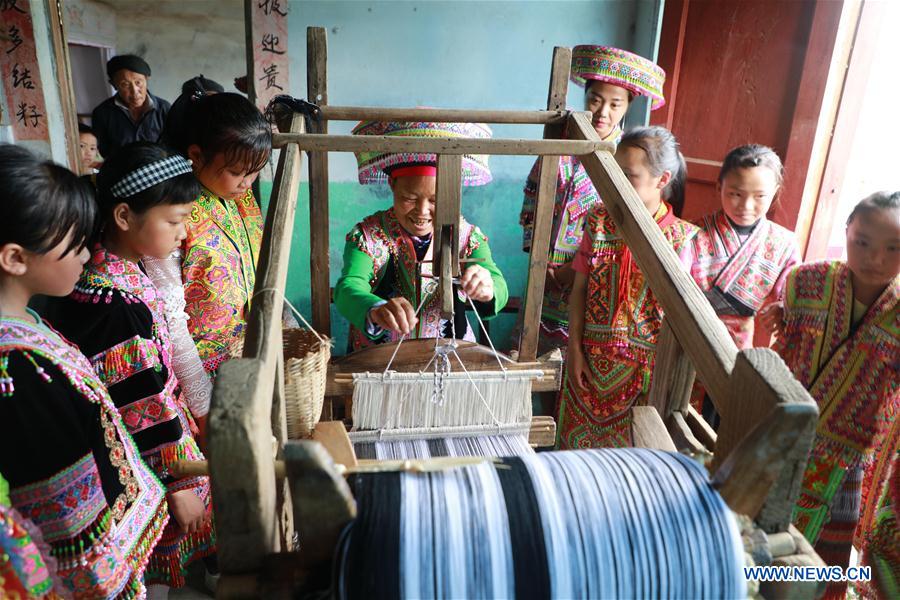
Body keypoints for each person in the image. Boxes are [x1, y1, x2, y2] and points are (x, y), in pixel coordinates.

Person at [0, 144, 166, 598]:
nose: (86, 257)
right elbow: (64, 512)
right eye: (74, 245)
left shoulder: (28, 322)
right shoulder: (20, 369)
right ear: (15, 258)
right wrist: (103, 584)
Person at [52, 142, 216, 591]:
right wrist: (178, 482)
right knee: (147, 576)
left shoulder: (121, 271)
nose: (183, 234)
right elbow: (140, 402)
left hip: (149, 455)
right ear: (124, 217)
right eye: (175, 221)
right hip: (149, 467)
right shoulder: (115, 304)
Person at [773, 191, 899, 598]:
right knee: (762, 540)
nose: (875, 259)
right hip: (783, 438)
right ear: (846, 231)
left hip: (849, 461)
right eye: (862, 242)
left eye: (893, 249)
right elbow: (782, 349)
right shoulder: (806, 281)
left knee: (824, 561)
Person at [558, 126, 698, 449]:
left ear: (662, 180)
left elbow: (678, 321)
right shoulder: (599, 222)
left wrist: (658, 384)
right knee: (574, 465)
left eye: (629, 176)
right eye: (615, 173)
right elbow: (580, 289)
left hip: (642, 379)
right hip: (588, 366)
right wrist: (575, 351)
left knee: (625, 475)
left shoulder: (682, 241)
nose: (618, 183)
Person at [519, 45, 666, 354]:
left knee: (577, 356)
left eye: (615, 104)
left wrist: (575, 270)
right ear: (585, 97)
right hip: (543, 272)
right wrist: (538, 258)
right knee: (533, 349)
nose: (603, 113)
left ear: (628, 105)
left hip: (591, 273)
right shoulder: (560, 144)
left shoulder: (624, 158)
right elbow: (533, 196)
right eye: (595, 100)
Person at [334, 120, 508, 351]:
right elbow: (348, 287)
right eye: (410, 198)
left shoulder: (468, 237)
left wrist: (487, 287)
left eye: (435, 200)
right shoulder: (369, 236)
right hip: (380, 363)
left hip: (452, 358)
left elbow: (498, 284)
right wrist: (375, 309)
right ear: (392, 184)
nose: (422, 211)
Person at [145, 92, 270, 413]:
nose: (247, 182)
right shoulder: (173, 212)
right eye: (238, 172)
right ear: (197, 155)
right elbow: (170, 317)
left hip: (249, 357)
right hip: (201, 372)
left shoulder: (241, 201)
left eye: (254, 172)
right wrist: (200, 398)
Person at [688, 145, 801, 426]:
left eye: (760, 196)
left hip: (738, 351)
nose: (746, 206)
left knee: (721, 423)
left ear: (774, 192)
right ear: (719, 187)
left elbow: (793, 292)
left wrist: (782, 307)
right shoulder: (694, 234)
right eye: (735, 194)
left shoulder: (784, 244)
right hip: (690, 341)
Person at [91, 54, 170, 158]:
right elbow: (104, 151)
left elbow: (173, 144)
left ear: (146, 79)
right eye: (125, 84)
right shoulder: (102, 113)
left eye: (138, 82)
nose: (134, 91)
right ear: (114, 85)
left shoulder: (164, 108)